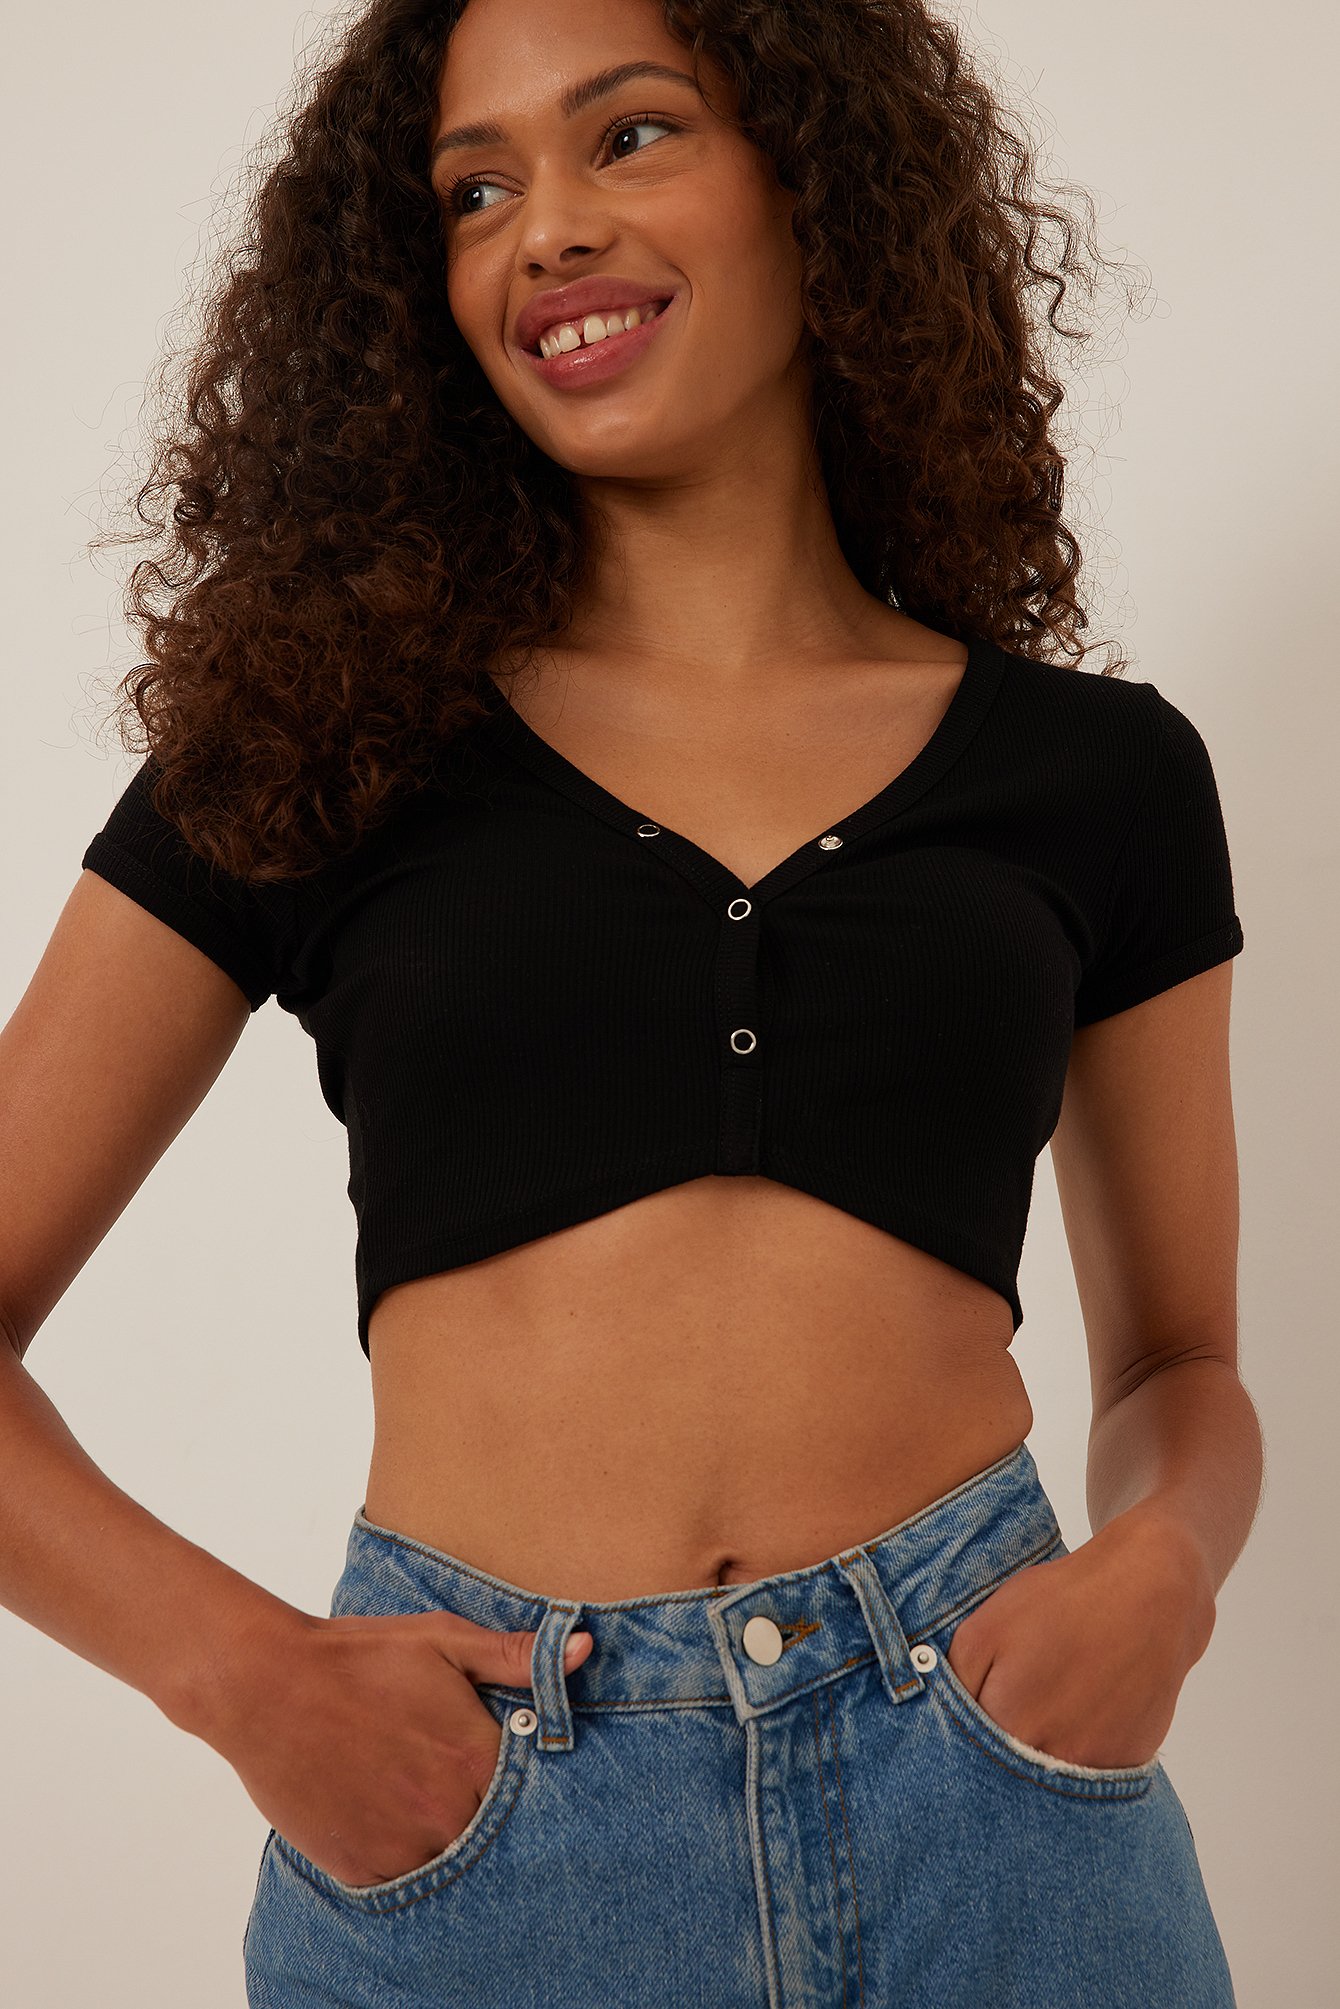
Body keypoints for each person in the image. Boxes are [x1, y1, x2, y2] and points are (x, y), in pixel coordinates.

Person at [1, 0, 1259, 2002]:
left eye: (633, 134)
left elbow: (1179, 1360)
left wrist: (1164, 1570)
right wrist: (241, 1676)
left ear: (816, 184)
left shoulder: (1098, 776)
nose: (547, 227)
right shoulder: (322, 749)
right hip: (480, 1824)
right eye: (474, 188)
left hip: (998, 1789)